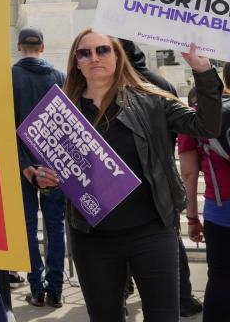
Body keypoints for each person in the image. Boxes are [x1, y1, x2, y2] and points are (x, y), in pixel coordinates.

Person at [34, 29, 222, 322]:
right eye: (85, 53)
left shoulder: (151, 101)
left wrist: (202, 71)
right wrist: (44, 180)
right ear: (76, 62)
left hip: (151, 231)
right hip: (91, 237)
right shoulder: (61, 111)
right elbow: (57, 171)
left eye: (103, 50)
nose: (94, 58)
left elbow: (207, 126)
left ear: (118, 56)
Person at [119, 39, 202, 317]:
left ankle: (124, 292)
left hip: (127, 183)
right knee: (170, 244)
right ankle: (183, 297)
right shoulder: (159, 83)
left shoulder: (121, 85)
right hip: (161, 177)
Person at [11, 27, 66, 308]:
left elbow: (7, 127)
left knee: (28, 227)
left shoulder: (10, 77)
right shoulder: (58, 77)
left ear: (20, 46)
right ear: (42, 47)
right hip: (55, 165)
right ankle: (56, 289)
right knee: (56, 227)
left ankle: (37, 287)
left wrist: (24, 166)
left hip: (22, 166)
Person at [179, 70, 230, 322]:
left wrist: (191, 218)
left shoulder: (199, 117)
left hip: (220, 211)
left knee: (220, 276)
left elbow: (188, 174)